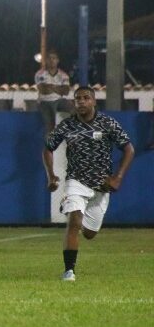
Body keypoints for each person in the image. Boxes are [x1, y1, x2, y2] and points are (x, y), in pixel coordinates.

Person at [42, 86, 134, 282]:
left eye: (85, 98)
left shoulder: (107, 123)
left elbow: (129, 149)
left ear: (94, 101)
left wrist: (117, 178)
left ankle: (72, 207)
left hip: (101, 185)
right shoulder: (67, 125)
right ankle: (69, 271)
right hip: (76, 180)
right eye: (77, 99)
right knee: (74, 222)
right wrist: (51, 175)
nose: (81, 102)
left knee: (90, 233)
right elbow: (48, 148)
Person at [35, 50, 73, 134]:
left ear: (57, 60)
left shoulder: (63, 74)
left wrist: (51, 87)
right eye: (50, 58)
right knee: (50, 125)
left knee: (76, 111)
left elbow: (66, 91)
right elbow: (43, 90)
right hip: (45, 101)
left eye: (54, 58)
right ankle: (49, 145)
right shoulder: (40, 74)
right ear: (46, 60)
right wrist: (59, 88)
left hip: (60, 101)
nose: (52, 60)